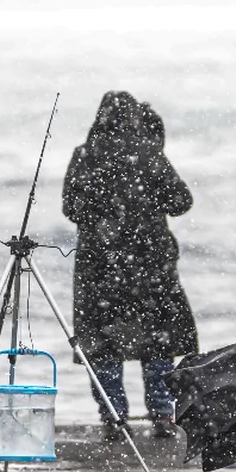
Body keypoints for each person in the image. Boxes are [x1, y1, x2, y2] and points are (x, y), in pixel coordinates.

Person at [63, 92, 197, 441]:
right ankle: (163, 414)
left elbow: (71, 208)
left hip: (100, 269)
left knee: (103, 345)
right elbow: (181, 201)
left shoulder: (85, 156)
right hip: (150, 267)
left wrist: (103, 213)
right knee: (157, 343)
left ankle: (114, 417)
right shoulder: (150, 156)